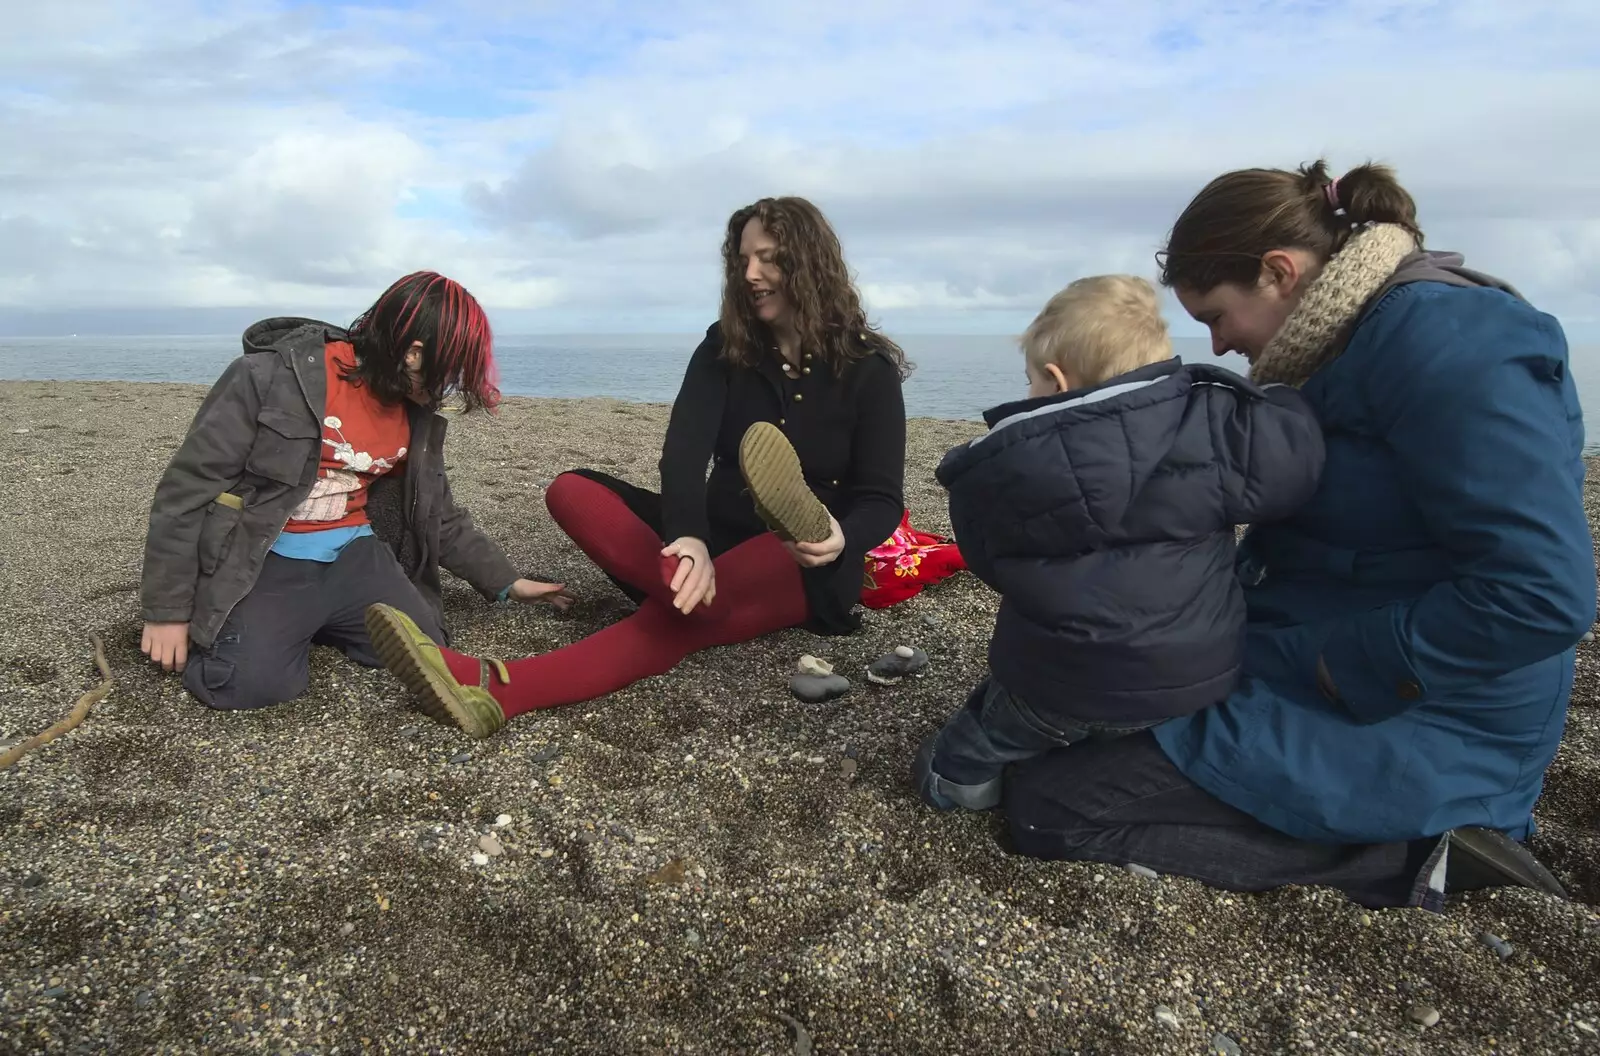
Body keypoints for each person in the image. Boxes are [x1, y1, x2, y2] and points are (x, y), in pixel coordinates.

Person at [1002, 160, 1595, 908]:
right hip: (1302, 653)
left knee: (1050, 808)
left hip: (1425, 713)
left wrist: (1338, 668)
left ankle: (1420, 856)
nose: (1216, 346)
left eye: (1216, 315)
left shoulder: (1454, 344)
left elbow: (1541, 594)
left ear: (1280, 272)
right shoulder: (1340, 344)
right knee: (1063, 729)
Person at [362, 196, 909, 738]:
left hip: (800, 556)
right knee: (571, 491)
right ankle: (697, 590)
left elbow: (883, 501)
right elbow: (684, 450)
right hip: (715, 539)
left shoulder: (868, 369)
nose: (750, 273)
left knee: (675, 620)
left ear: (808, 261)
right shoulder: (728, 346)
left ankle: (499, 689)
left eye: (768, 258)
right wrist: (689, 536)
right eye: (742, 260)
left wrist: (842, 537)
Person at [915, 275, 1324, 811]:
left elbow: (989, 558)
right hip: (1192, 681)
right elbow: (1295, 462)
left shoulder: (1010, 462)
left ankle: (957, 789)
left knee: (983, 735)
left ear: (1057, 383)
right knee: (1119, 725)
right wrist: (1277, 398)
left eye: (1030, 381)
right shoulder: (1217, 424)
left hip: (1058, 685)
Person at [138, 271, 572, 711]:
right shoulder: (268, 377)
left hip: (355, 555)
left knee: (430, 647)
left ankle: (313, 620)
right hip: (264, 557)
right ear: (413, 354)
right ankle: (284, 626)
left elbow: (437, 511)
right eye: (447, 371)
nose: (447, 387)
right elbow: (188, 489)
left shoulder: (416, 412)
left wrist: (507, 582)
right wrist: (167, 612)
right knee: (246, 685)